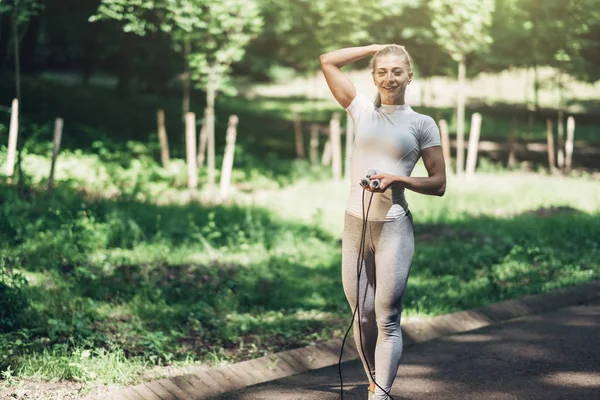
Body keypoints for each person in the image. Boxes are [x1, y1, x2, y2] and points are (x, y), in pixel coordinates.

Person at [319, 44, 446, 400]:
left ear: (410, 75)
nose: (389, 78)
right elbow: (327, 61)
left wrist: (398, 179)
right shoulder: (361, 111)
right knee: (361, 315)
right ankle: (374, 380)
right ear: (373, 76)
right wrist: (378, 48)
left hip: (393, 226)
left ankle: (381, 395)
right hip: (354, 224)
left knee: (386, 317)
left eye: (397, 71)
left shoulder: (422, 124)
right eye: (381, 71)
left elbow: (439, 184)